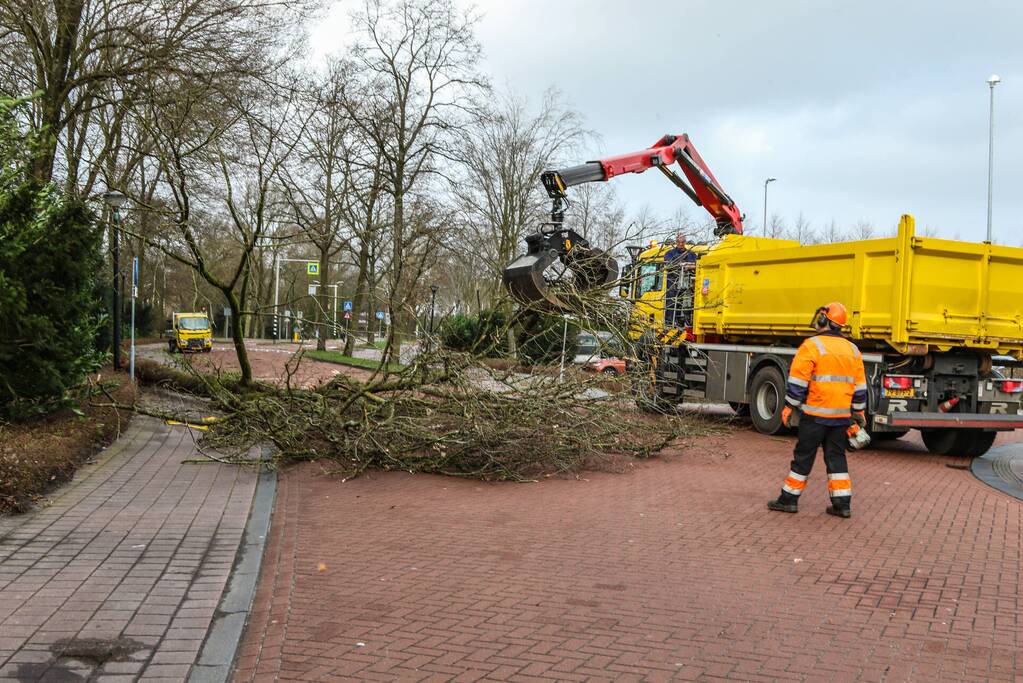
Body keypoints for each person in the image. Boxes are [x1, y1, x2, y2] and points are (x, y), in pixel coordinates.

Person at [767, 302, 867, 518]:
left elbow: (798, 382)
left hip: (815, 416)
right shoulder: (853, 349)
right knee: (836, 458)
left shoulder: (811, 345)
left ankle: (788, 500)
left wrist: (789, 406)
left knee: (803, 457)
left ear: (823, 320)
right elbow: (860, 387)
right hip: (841, 418)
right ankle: (842, 505)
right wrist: (859, 413)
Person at [663, 233, 698, 327]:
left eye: (683, 242)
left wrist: (688, 266)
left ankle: (684, 322)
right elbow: (668, 264)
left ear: (685, 242)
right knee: (671, 303)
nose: (681, 244)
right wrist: (682, 265)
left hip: (688, 284)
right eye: (679, 242)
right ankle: (669, 323)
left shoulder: (691, 254)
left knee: (688, 304)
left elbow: (697, 264)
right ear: (676, 242)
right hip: (673, 283)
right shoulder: (670, 253)